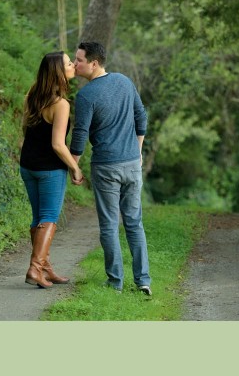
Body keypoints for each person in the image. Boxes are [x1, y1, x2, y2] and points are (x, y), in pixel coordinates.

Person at [70, 41, 152, 295]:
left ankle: (115, 282)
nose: (75, 64)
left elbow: (80, 135)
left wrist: (73, 165)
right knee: (134, 223)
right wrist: (137, 150)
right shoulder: (125, 82)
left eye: (79, 60)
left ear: (94, 63)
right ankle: (143, 281)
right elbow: (142, 117)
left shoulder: (85, 96)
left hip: (106, 166)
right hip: (131, 164)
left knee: (108, 225)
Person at [19, 51, 84, 288]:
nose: (73, 66)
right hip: (49, 169)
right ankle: (35, 269)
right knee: (48, 218)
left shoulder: (31, 96)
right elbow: (58, 144)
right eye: (69, 64)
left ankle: (44, 267)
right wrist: (75, 167)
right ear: (59, 72)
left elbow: (26, 131)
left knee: (38, 218)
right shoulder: (61, 104)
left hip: (28, 166)